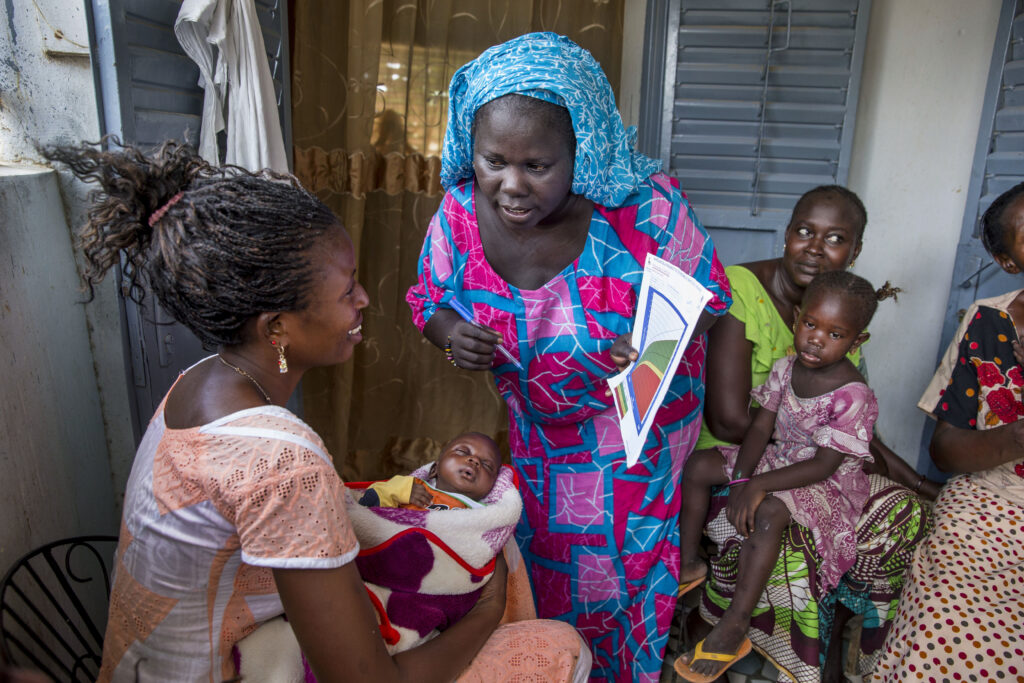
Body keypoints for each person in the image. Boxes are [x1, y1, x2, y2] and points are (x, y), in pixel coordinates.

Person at [45, 138, 589, 683]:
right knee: (554, 646)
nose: (363, 301)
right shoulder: (281, 460)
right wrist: (489, 610)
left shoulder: (199, 383)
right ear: (276, 327)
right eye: (346, 289)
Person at [406, 32, 732, 682]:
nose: (512, 185)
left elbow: (706, 300)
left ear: (580, 150)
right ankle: (556, 666)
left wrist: (643, 352)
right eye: (494, 159)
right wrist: (450, 334)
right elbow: (428, 299)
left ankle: (620, 670)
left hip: (633, 427)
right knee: (542, 550)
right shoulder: (460, 216)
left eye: (538, 165)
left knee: (624, 564)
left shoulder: (645, 210)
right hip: (537, 422)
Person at [691, 185, 935, 683]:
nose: (815, 247)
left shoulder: (841, 329)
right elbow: (735, 421)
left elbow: (854, 435)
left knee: (903, 512)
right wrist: (749, 479)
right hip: (748, 456)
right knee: (778, 521)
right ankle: (724, 614)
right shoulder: (744, 294)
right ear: (786, 234)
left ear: (855, 251)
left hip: (806, 464)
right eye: (805, 231)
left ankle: (830, 647)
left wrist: (915, 480)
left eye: (835, 238)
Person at [675, 271, 891, 681]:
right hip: (782, 457)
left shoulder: (853, 395)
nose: (816, 339)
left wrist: (757, 485)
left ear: (856, 342)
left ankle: (734, 624)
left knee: (771, 513)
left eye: (835, 334)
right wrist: (741, 479)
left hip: (824, 482)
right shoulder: (787, 366)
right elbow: (759, 428)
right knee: (699, 465)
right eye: (810, 324)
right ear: (796, 318)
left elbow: (825, 465)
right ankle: (687, 564)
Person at [872, 182, 1024, 681]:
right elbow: (946, 449)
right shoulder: (987, 324)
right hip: (993, 507)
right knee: (941, 619)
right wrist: (1016, 436)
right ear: (1007, 261)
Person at [359, 431, 501, 509]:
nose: (474, 460)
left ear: (492, 486)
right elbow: (366, 504)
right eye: (463, 452)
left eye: (487, 465)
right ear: (434, 469)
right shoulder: (413, 487)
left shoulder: (483, 514)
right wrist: (401, 491)